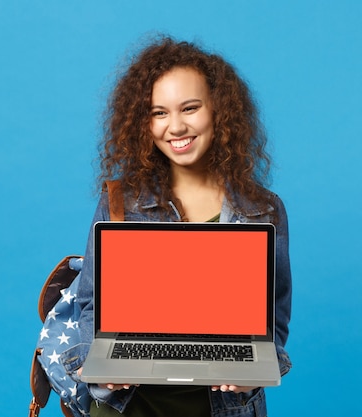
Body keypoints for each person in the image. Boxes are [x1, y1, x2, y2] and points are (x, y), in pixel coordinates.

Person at [61, 35, 292, 417]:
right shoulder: (121, 202)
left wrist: (261, 367)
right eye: (159, 113)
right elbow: (91, 305)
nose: (176, 126)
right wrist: (99, 364)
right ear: (143, 122)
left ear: (218, 110)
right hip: (128, 407)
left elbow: (275, 317)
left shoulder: (262, 210)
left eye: (190, 108)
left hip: (224, 408)